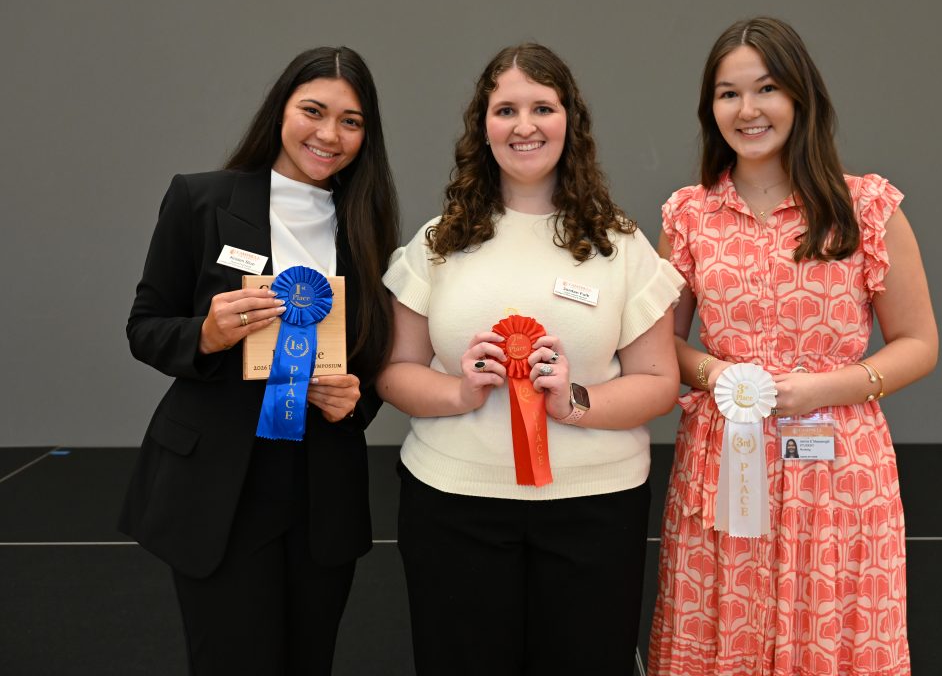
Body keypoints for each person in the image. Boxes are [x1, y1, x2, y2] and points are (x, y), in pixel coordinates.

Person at [376, 43, 683, 676]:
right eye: (505, 109)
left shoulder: (620, 244)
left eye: (542, 106)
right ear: (481, 127)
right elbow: (396, 371)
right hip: (452, 505)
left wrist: (574, 401)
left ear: (570, 122)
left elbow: (658, 383)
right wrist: (458, 393)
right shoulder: (438, 241)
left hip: (595, 511)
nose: (524, 125)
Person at [648, 16, 938, 675]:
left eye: (766, 88)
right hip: (724, 473)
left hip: (839, 481)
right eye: (728, 93)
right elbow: (662, 344)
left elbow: (919, 343)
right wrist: (718, 371)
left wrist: (819, 388)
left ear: (801, 96)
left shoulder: (867, 209)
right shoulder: (688, 216)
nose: (747, 110)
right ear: (710, 107)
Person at [119, 46, 399, 675]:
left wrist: (356, 399)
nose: (329, 134)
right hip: (219, 486)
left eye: (351, 121)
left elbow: (377, 354)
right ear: (281, 109)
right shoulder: (200, 199)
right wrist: (208, 334)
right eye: (313, 111)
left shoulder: (369, 223)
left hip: (320, 488)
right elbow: (145, 328)